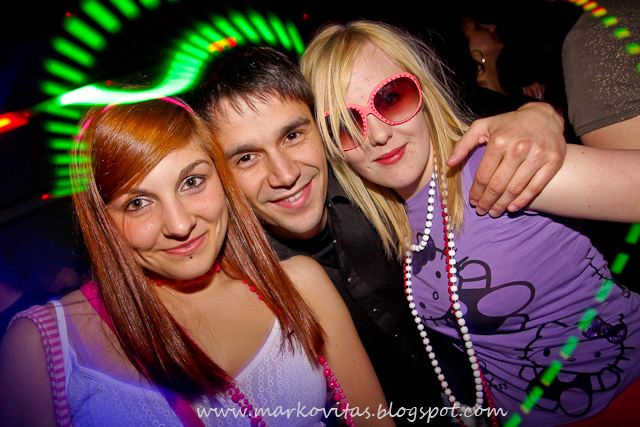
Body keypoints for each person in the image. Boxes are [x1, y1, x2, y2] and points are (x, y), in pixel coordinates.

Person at [186, 46, 567, 425]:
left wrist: (537, 114)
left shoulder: (378, 179)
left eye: (293, 135)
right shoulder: (243, 284)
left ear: (322, 128)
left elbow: (447, 130)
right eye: (246, 157)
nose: (285, 174)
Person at [300, 20, 640, 427]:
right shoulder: (390, 218)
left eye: (390, 98)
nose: (377, 135)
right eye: (345, 123)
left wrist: (540, 113)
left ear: (423, 89)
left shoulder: (497, 166)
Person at [0, 98, 394, 427]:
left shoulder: (299, 285)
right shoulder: (41, 346)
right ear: (103, 222)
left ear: (221, 178)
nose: (180, 224)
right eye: (138, 203)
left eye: (192, 182)